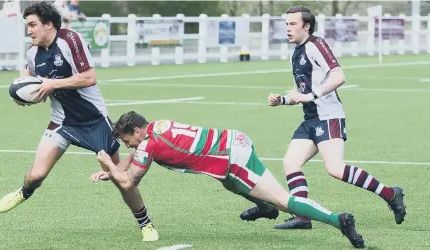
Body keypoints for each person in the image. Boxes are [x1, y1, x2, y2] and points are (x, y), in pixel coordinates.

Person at [0, 2, 158, 242]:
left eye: (32, 25)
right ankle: (24, 191)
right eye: (27, 25)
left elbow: (90, 77)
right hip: (61, 122)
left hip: (94, 121)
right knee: (36, 175)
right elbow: (26, 75)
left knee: (120, 178)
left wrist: (53, 84)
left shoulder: (70, 40)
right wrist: (21, 93)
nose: (29, 31)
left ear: (48, 24)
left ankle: (145, 223)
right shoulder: (33, 52)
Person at [92, 111, 365, 248]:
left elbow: (129, 183)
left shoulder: (148, 146)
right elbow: (134, 158)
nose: (127, 146)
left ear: (138, 131)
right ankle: (264, 208)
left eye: (128, 140)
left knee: (284, 201)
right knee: (225, 180)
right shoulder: (157, 127)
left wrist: (107, 163)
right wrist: (113, 170)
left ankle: (338, 220)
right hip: (231, 145)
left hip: (232, 156)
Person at [264, 6, 406, 230]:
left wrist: (313, 95)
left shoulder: (316, 45)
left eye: (292, 24)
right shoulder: (297, 53)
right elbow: (301, 92)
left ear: (306, 26)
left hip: (328, 117)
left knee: (335, 169)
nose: (288, 29)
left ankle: (391, 194)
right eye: (287, 24)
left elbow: (339, 76)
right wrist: (282, 100)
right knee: (291, 162)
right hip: (310, 119)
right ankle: (302, 216)